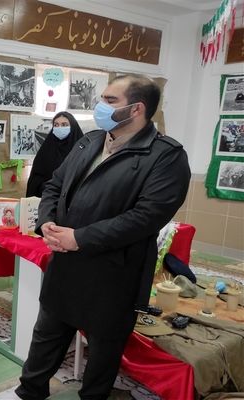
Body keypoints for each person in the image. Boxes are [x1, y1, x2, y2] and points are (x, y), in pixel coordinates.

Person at [15, 75, 191, 400]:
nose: (99, 106)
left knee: (102, 355)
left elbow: (146, 217)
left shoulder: (165, 156)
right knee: (46, 340)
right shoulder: (90, 141)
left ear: (136, 109)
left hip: (114, 274)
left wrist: (79, 237)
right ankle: (29, 392)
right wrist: (48, 222)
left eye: (110, 101)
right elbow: (54, 185)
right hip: (66, 268)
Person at [25, 111, 84, 197]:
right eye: (56, 125)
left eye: (64, 125)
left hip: (75, 200)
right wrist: (47, 187)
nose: (59, 127)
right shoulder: (46, 149)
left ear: (73, 126)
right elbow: (35, 178)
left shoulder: (83, 150)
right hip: (49, 199)